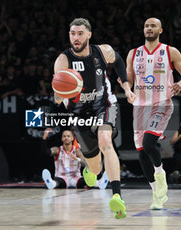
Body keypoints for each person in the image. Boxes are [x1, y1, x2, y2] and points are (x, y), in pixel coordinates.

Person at [53, 18, 136, 219]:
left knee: (106, 141)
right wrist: (63, 92)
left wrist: (126, 87)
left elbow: (117, 61)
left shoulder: (102, 51)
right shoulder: (63, 61)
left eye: (80, 33)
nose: (76, 37)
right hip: (79, 114)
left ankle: (117, 196)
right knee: (95, 166)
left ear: (89, 34)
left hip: (104, 106)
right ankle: (92, 171)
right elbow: (57, 97)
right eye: (72, 33)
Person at [126, 18, 181, 210]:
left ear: (160, 30)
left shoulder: (170, 51)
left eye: (153, 25)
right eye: (146, 25)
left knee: (148, 143)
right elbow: (128, 79)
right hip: (139, 107)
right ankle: (156, 194)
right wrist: (127, 90)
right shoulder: (134, 53)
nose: (149, 28)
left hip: (161, 104)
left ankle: (160, 173)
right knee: (142, 154)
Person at [41, 128, 108, 190]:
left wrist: (77, 159)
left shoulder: (77, 151)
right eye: (64, 136)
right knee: (59, 182)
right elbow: (45, 152)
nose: (66, 138)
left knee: (85, 180)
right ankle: (51, 183)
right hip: (61, 177)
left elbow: (86, 164)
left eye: (68, 136)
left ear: (72, 138)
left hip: (76, 177)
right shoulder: (57, 150)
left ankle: (99, 183)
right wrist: (44, 138)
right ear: (61, 138)